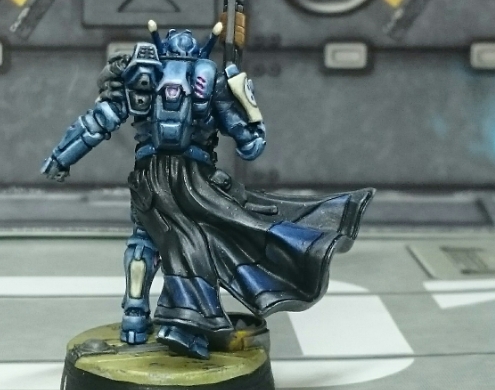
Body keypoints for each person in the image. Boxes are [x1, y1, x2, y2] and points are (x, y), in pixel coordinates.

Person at [42, 22, 374, 360]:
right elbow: (251, 146)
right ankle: (185, 324)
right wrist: (247, 102)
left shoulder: (142, 73)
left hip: (148, 177)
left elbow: (97, 122)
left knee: (145, 240)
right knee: (202, 239)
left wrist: (59, 159)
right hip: (196, 180)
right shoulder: (211, 81)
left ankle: (135, 318)